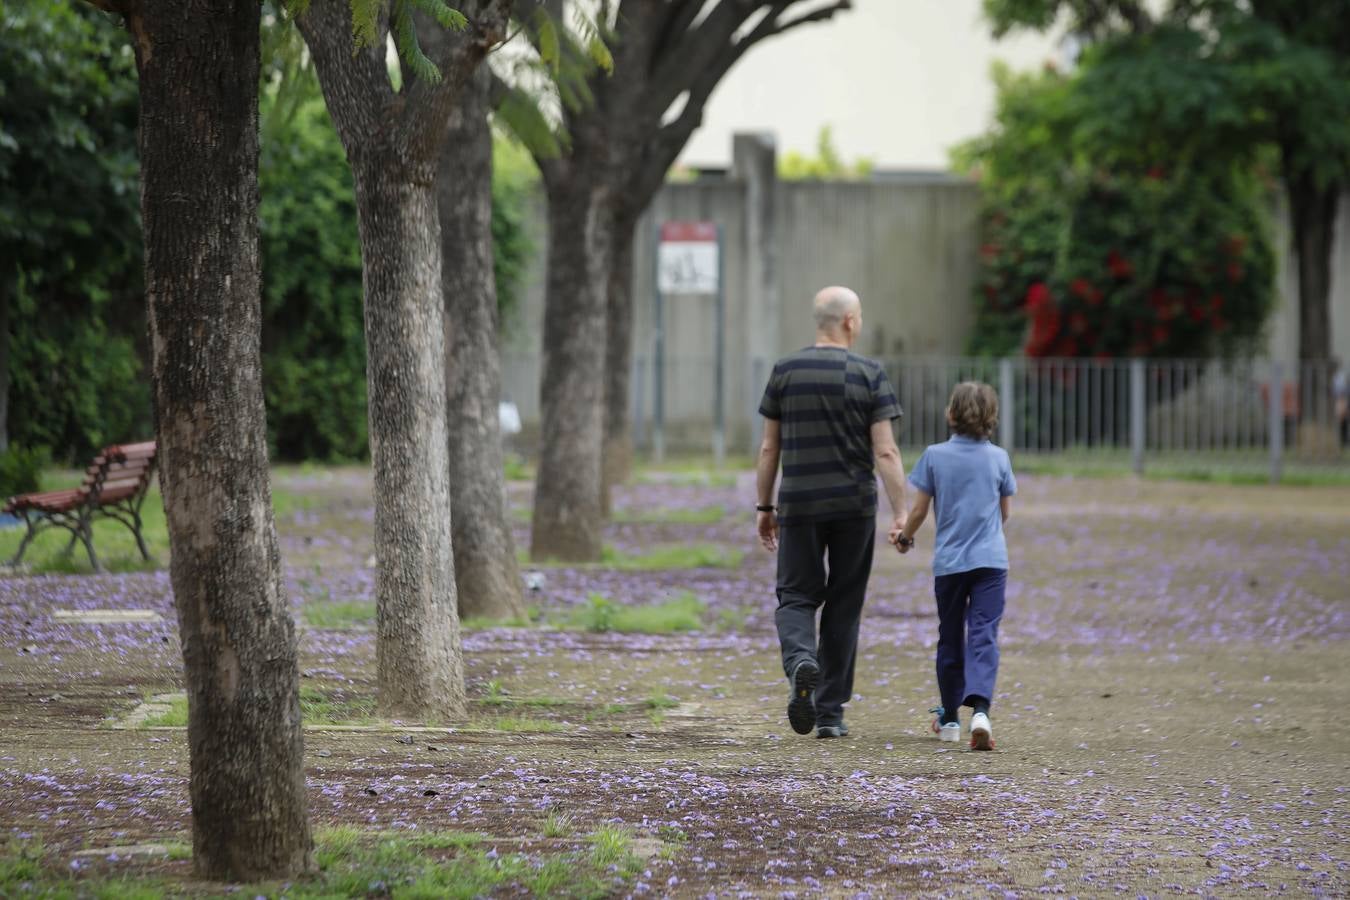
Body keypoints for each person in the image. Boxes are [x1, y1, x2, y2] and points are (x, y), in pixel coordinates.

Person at [755, 286, 908, 739]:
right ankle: (829, 714)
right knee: (844, 604)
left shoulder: (785, 370)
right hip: (854, 505)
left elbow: (769, 447)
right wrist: (901, 512)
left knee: (796, 596)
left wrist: (765, 506)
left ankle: (802, 659)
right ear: (848, 322)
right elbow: (886, 452)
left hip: (800, 501)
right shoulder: (869, 373)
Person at [893, 382, 1015, 751]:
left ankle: (949, 717)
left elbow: (918, 510)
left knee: (950, 636)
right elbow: (1004, 512)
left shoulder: (934, 456)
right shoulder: (999, 458)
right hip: (991, 563)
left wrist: (904, 537)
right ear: (992, 417)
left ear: (951, 414)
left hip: (950, 565)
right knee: (983, 633)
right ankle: (980, 710)